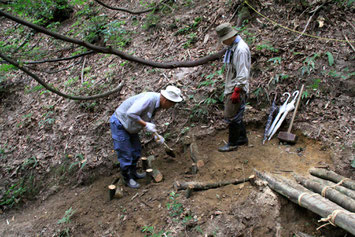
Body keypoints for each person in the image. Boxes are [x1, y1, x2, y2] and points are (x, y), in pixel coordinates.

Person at [110, 85, 183, 188]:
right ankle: (127, 178)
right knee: (125, 153)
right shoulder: (149, 99)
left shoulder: (157, 104)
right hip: (120, 124)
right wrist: (146, 125)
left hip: (131, 126)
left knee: (136, 150)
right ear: (167, 100)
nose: (170, 107)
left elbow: (146, 117)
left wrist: (156, 136)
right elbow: (131, 113)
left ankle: (133, 173)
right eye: (172, 104)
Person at [215, 22, 251, 152]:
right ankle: (242, 138)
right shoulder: (233, 47)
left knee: (231, 116)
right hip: (232, 84)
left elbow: (243, 73)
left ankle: (232, 143)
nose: (223, 42)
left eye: (224, 40)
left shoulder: (240, 49)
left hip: (237, 87)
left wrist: (236, 91)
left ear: (230, 36)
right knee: (236, 114)